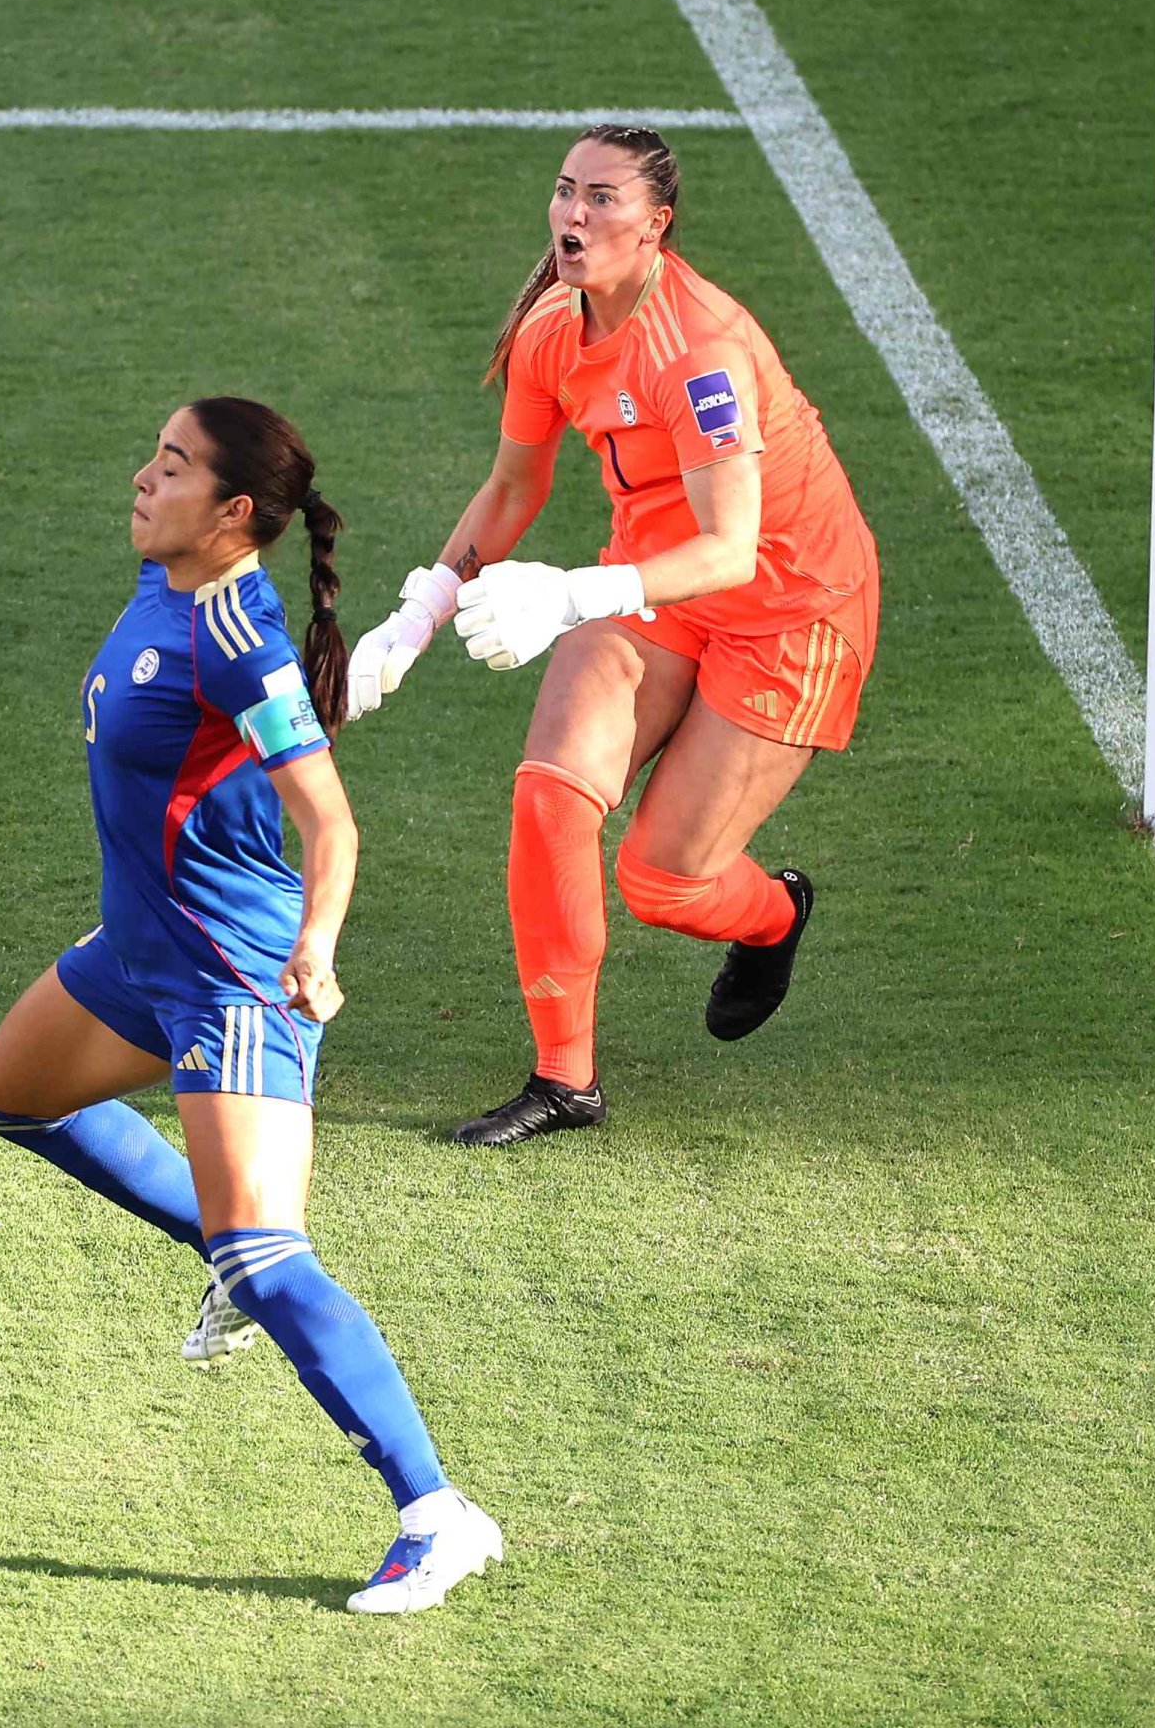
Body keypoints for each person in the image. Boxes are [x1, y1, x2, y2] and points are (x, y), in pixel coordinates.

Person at [0, 401, 507, 1616]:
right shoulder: (167, 589)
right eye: (152, 454)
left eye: (171, 467)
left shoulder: (236, 638)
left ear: (233, 516)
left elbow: (330, 821)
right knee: (11, 1095)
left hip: (232, 974)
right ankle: (223, 1255)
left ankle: (436, 1514)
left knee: (267, 1245)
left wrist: (314, 948)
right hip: (140, 953)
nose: (142, 478)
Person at [345, 126, 881, 1146]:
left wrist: (570, 595)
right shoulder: (554, 327)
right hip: (647, 579)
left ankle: (773, 916)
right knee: (550, 794)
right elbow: (512, 487)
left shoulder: (701, 351)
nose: (574, 216)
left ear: (656, 225)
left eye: (601, 199)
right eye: (564, 192)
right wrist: (419, 613)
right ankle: (565, 1082)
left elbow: (730, 549)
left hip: (787, 606)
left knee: (662, 883)